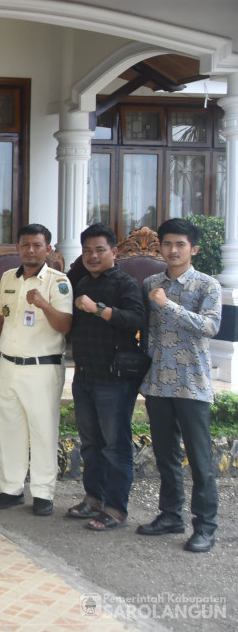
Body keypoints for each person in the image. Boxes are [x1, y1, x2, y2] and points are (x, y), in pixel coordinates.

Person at [137, 218, 222, 553]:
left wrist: (168, 305)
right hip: (158, 383)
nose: (172, 250)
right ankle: (170, 515)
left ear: (193, 249)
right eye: (167, 244)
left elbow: (210, 327)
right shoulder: (150, 282)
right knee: (166, 455)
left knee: (200, 460)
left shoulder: (207, 286)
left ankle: (205, 527)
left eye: (180, 244)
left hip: (192, 384)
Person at [0, 223, 72, 517]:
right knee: (9, 429)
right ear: (18, 248)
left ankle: (43, 493)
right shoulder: (9, 277)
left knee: (43, 431)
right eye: (25, 245)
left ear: (48, 249)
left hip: (42, 367)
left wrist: (45, 305)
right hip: (9, 364)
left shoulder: (58, 281)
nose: (31, 250)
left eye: (37, 245)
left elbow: (65, 325)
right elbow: (0, 319)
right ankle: (11, 489)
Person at [68, 223, 146, 531]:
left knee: (115, 445)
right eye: (87, 250)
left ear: (114, 252)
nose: (93, 256)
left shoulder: (126, 284)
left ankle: (116, 509)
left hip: (114, 379)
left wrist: (100, 310)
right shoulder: (82, 280)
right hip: (84, 374)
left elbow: (136, 320)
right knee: (90, 443)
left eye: (100, 249)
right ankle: (94, 499)